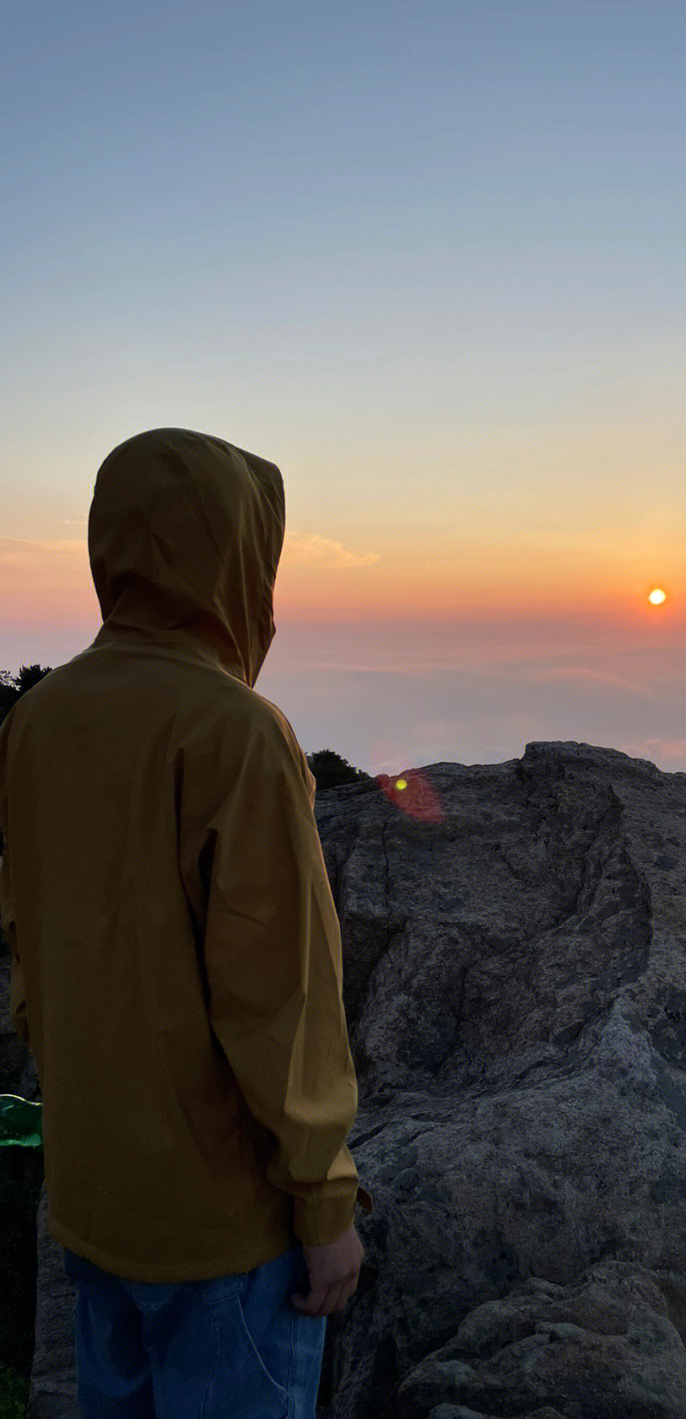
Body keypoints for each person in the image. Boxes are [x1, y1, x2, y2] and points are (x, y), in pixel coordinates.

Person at [0, 428, 374, 1418]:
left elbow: (30, 945)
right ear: (232, 558)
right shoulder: (237, 732)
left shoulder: (36, 720)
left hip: (89, 1206)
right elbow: (279, 998)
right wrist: (325, 1201)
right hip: (224, 1241)